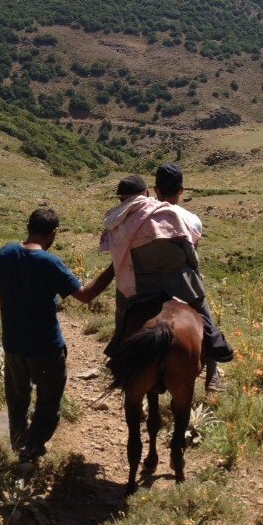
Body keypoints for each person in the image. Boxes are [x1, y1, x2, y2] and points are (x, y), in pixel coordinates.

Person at [0, 207, 113, 463]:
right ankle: (34, 446)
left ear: (28, 227)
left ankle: (20, 444)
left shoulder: (7, 253)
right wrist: (114, 268)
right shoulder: (50, 263)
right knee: (48, 401)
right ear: (53, 233)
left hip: (15, 346)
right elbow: (85, 296)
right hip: (46, 347)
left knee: (17, 399)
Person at [99, 174, 233, 377]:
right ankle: (214, 358)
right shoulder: (165, 211)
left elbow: (120, 258)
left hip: (142, 283)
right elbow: (188, 248)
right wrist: (191, 267)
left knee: (123, 309)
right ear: (146, 192)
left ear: (121, 198)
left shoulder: (116, 222)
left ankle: (117, 348)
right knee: (201, 307)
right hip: (178, 280)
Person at [154, 163, 227, 390]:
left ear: (156, 190)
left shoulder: (144, 215)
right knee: (207, 318)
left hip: (148, 280)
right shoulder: (192, 219)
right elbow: (193, 254)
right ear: (181, 190)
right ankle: (213, 375)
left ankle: (116, 353)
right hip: (182, 283)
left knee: (126, 312)